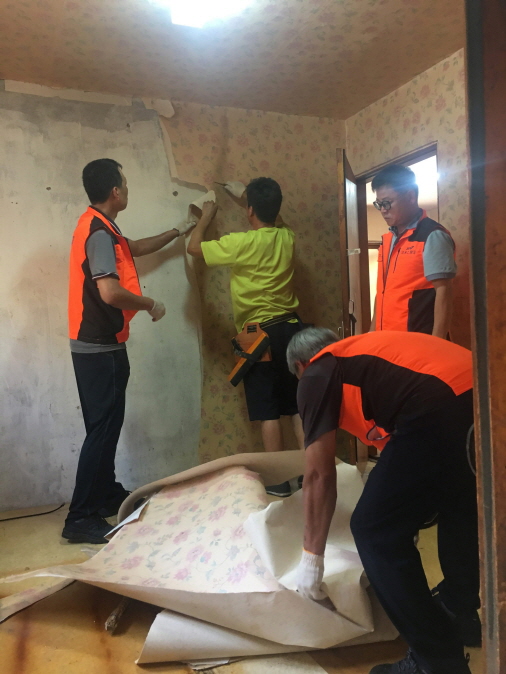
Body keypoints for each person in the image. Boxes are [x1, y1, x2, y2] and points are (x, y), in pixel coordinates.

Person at [287, 327, 480, 674]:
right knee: (458, 501)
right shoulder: (366, 358)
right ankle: (460, 613)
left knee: (373, 529)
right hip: (481, 389)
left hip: (437, 404)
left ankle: (437, 662)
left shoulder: (316, 373)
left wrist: (311, 560)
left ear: (301, 366)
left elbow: (318, 475)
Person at [63, 158, 193, 544]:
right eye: (125, 183)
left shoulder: (101, 226)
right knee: (102, 430)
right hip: (98, 347)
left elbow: (135, 248)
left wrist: (179, 229)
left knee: (107, 427)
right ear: (115, 191)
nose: (127, 189)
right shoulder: (98, 233)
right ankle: (80, 518)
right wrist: (150, 303)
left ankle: (105, 493)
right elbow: (109, 292)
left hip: (102, 343)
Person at [187, 177, 305, 497]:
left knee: (268, 411)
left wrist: (206, 217)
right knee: (297, 406)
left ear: (250, 210)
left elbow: (194, 248)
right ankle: (311, 474)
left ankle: (278, 482)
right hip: (292, 331)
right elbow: (277, 218)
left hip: (258, 335)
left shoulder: (241, 243)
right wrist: (248, 198)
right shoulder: (287, 237)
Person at [370, 164, 456, 338]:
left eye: (387, 203)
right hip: (387, 340)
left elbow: (444, 292)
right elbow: (382, 294)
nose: (383, 210)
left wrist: (437, 344)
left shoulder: (432, 236)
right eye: (379, 204)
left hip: (417, 341)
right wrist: (372, 336)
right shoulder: (388, 240)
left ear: (410, 196)